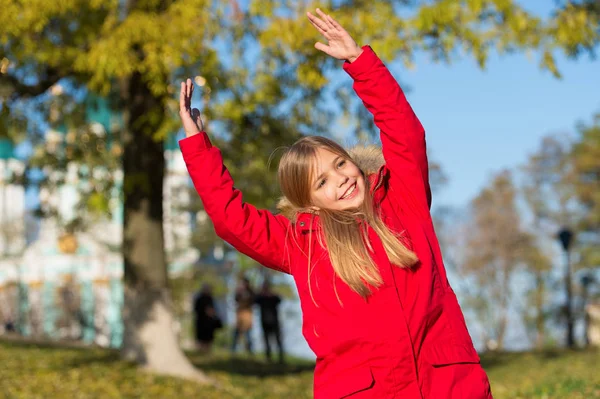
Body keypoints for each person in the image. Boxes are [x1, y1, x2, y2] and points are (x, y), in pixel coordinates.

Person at [178, 8, 493, 398]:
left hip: (445, 383)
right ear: (308, 202)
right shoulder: (302, 242)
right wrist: (198, 146)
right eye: (322, 181)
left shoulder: (402, 200)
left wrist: (360, 63)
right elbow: (232, 220)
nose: (342, 178)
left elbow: (404, 132)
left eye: (341, 164)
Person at [255, 279, 284, 363]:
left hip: (274, 322)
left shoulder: (273, 297)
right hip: (265, 322)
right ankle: (269, 358)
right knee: (267, 341)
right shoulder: (261, 298)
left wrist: (272, 294)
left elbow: (279, 300)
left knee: (278, 340)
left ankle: (280, 358)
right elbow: (255, 300)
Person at [192, 283, 222, 352]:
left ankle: (207, 352)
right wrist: (205, 311)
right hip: (201, 323)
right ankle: (201, 352)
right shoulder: (199, 299)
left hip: (209, 324)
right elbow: (196, 310)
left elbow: (214, 310)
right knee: (201, 341)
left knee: (209, 341)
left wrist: (212, 313)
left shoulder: (210, 298)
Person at [231, 276, 255, 355]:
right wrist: (239, 292)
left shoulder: (251, 292)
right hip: (240, 316)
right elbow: (236, 299)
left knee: (248, 335)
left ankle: (249, 351)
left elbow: (253, 301)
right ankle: (233, 351)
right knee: (236, 334)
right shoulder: (239, 291)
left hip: (247, 316)